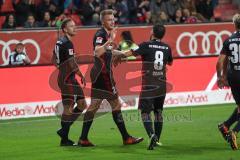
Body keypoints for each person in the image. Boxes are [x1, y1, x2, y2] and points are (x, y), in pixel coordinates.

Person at [78, 9, 143, 147]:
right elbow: (97, 51)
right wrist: (112, 40)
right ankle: (126, 138)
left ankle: (83, 138)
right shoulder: (101, 34)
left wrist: (123, 54)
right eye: (109, 19)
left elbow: (108, 51)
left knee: (94, 106)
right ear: (103, 22)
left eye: (113, 19)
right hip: (103, 75)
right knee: (116, 105)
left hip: (98, 74)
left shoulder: (105, 35)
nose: (112, 21)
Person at [112, 24, 173, 150]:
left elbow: (127, 54)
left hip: (149, 84)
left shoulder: (146, 45)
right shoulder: (167, 47)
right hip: (162, 84)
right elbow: (170, 62)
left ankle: (151, 135)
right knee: (158, 112)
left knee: (145, 112)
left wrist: (114, 52)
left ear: (152, 32)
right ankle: (157, 139)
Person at [52, 18, 87, 146]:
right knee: (69, 107)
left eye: (75, 25)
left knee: (82, 104)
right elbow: (72, 63)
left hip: (66, 77)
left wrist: (61, 69)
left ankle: (63, 131)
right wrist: (80, 74)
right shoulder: (67, 43)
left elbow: (53, 58)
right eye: (72, 26)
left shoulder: (59, 42)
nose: (75, 28)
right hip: (68, 79)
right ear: (65, 29)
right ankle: (64, 137)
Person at [217, 13, 240, 150]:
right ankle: (234, 132)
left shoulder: (228, 40)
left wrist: (221, 77)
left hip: (233, 76)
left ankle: (225, 125)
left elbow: (220, 62)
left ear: (234, 24)